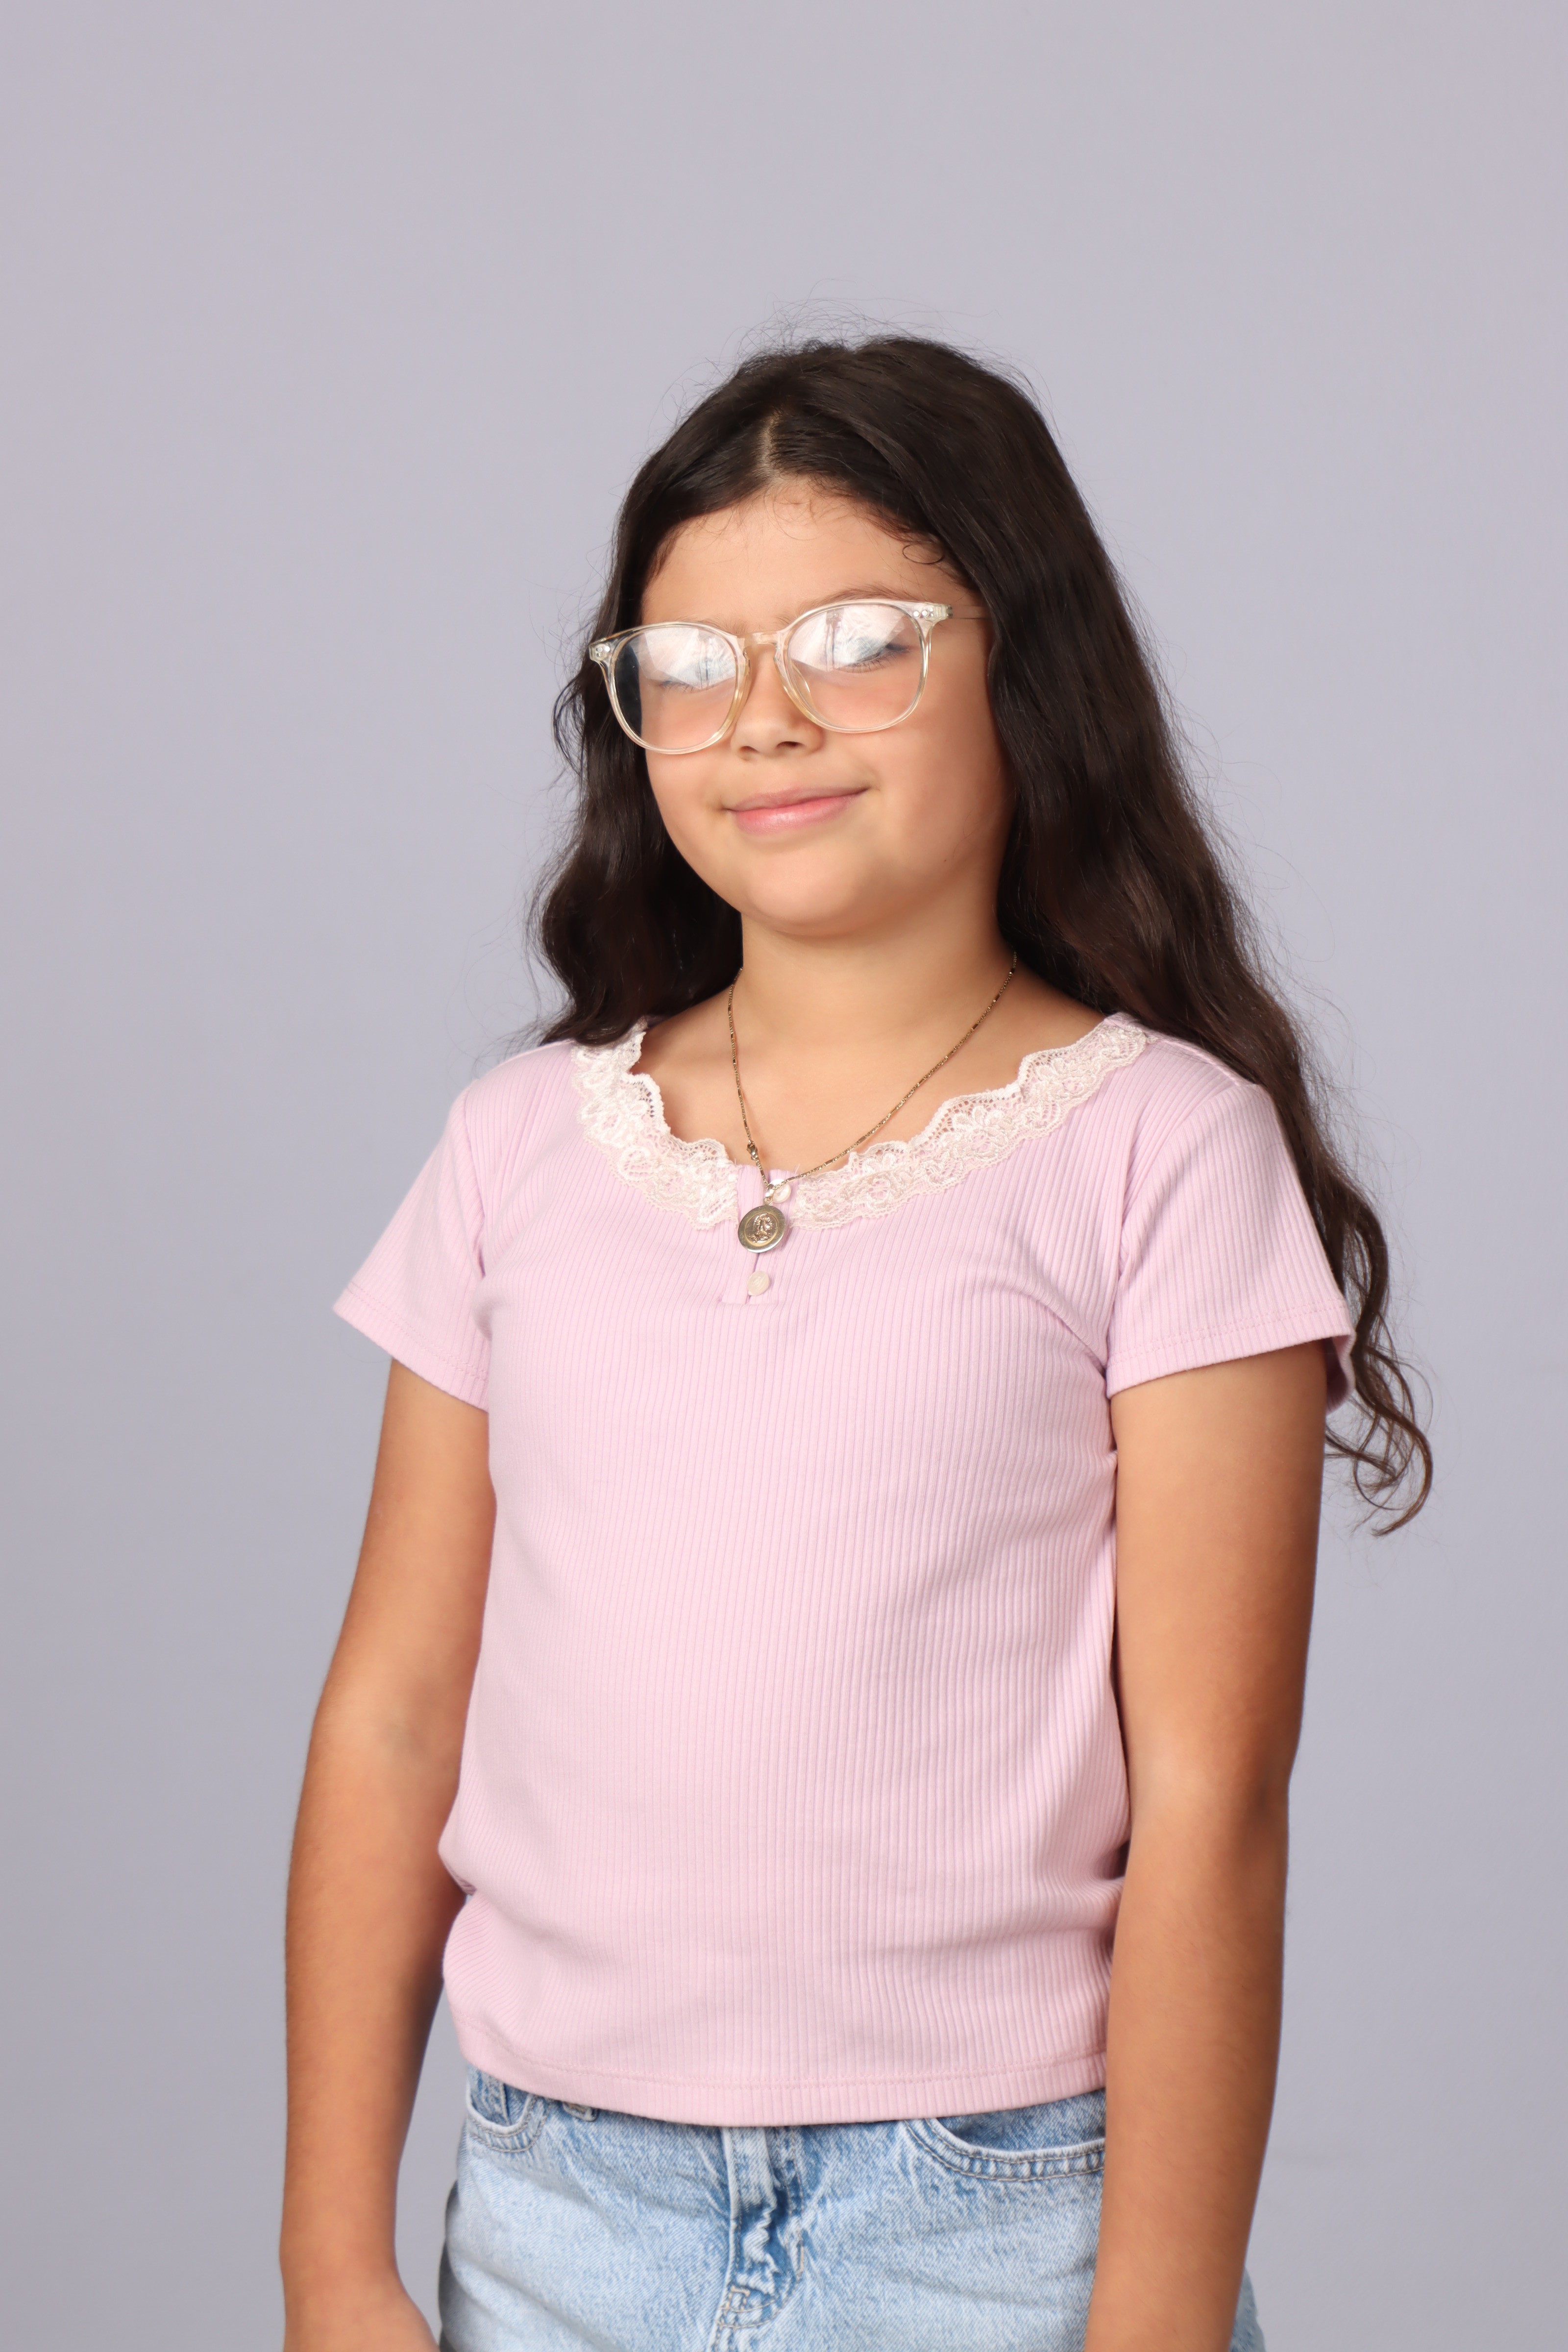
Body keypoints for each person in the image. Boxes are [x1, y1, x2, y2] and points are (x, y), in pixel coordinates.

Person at [280, 334, 1429, 2352]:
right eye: (688, 664)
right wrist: (329, 2262)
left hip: (997, 2228)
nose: (765, 719)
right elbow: (392, 1717)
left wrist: (1151, 2320)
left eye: (857, 643)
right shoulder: (518, 1149)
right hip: (555, 2222)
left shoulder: (1159, 1151)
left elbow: (1212, 1799)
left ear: (1027, 666)